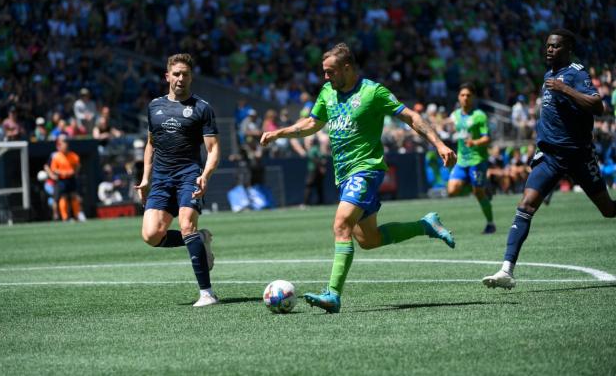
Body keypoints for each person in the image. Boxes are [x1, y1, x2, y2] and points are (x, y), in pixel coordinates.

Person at [260, 43, 457, 313]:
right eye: (324, 72)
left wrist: (439, 143)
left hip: (366, 169)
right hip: (343, 175)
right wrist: (279, 133)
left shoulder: (372, 92)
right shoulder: (327, 92)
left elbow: (410, 117)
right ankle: (426, 225)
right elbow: (311, 124)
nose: (325, 77)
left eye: (330, 72)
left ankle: (333, 294)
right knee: (369, 240)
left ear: (347, 68)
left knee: (341, 224)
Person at [483, 29, 616, 290]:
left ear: (567, 49)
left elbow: (598, 107)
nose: (549, 50)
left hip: (579, 154)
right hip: (551, 155)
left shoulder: (576, 73)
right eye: (547, 46)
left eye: (555, 47)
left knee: (608, 210)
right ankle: (506, 270)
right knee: (526, 205)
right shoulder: (548, 75)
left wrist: (565, 89)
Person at [134, 53, 221, 307]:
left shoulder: (202, 108)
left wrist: (205, 175)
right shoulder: (154, 106)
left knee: (186, 226)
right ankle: (200, 240)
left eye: (185, 74)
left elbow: (214, 149)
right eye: (176, 73)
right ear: (167, 76)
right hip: (161, 177)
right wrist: (146, 178)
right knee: (151, 235)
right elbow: (151, 144)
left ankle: (207, 293)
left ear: (191, 77)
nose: (181, 78)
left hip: (188, 175)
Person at [447, 83, 496, 234]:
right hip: (462, 160)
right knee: (451, 190)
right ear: (458, 97)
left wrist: (474, 142)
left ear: (473, 97)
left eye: (468, 95)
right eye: (462, 95)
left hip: (477, 160)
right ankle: (478, 187)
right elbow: (449, 127)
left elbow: (487, 138)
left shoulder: (479, 115)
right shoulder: (454, 115)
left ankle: (490, 224)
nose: (465, 98)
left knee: (479, 193)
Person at [48, 134, 86, 222]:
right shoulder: (56, 156)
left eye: (65, 144)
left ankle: (77, 215)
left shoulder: (73, 155)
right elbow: (53, 169)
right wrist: (62, 172)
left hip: (71, 179)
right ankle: (64, 217)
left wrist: (74, 172)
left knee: (74, 196)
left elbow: (78, 166)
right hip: (61, 180)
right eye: (62, 145)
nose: (64, 147)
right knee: (62, 197)